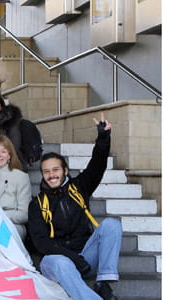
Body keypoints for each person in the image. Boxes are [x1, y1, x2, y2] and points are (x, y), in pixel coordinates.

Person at [28, 113, 122, 300]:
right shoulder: (37, 204)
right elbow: (42, 244)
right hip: (56, 262)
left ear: (64, 170)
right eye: (46, 171)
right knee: (61, 263)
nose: (51, 175)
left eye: (55, 170)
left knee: (112, 225)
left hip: (86, 256)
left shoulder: (79, 187)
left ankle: (103, 282)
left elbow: (97, 165)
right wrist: (73, 258)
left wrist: (103, 138)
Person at [0, 135, 31, 239]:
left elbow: (24, 215)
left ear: (9, 156)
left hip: (12, 224)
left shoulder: (20, 177)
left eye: (3, 151)